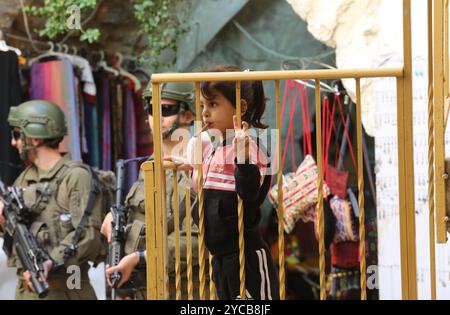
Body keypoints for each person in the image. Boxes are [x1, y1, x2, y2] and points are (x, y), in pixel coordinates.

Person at [183, 64, 280, 300]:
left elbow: (249, 194)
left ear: (241, 108)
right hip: (221, 259)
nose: (205, 113)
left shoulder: (253, 149)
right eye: (203, 105)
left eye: (213, 104)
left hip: (246, 259)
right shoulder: (215, 148)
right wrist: (186, 164)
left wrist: (244, 158)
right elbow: (206, 189)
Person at [101, 81, 201, 300]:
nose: (156, 117)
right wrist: (113, 219)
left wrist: (142, 257)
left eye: (165, 109)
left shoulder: (197, 165)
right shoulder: (149, 165)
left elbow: (197, 238)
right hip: (141, 288)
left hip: (181, 291)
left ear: (188, 115)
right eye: (150, 109)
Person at [0, 100, 104, 300]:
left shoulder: (76, 177)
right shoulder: (25, 178)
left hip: (67, 291)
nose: (14, 142)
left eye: (17, 135)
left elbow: (87, 236)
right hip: (26, 292)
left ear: (35, 139)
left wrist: (50, 262)